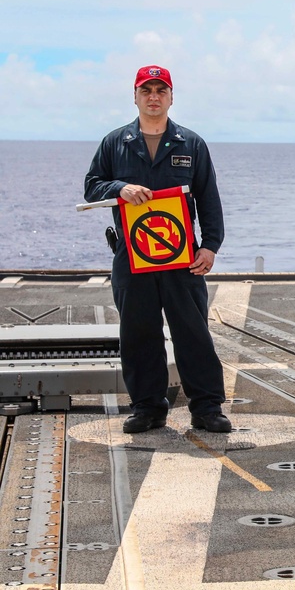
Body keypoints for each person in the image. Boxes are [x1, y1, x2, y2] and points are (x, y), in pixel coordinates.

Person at [84, 65, 232, 434]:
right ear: (135, 96)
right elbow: (91, 186)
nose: (153, 96)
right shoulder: (115, 142)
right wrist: (120, 188)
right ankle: (148, 408)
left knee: (193, 331)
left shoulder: (191, 144)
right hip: (132, 258)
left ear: (170, 97)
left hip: (181, 258)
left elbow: (209, 199)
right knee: (138, 333)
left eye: (160, 90)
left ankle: (207, 408)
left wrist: (210, 246)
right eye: (146, 90)